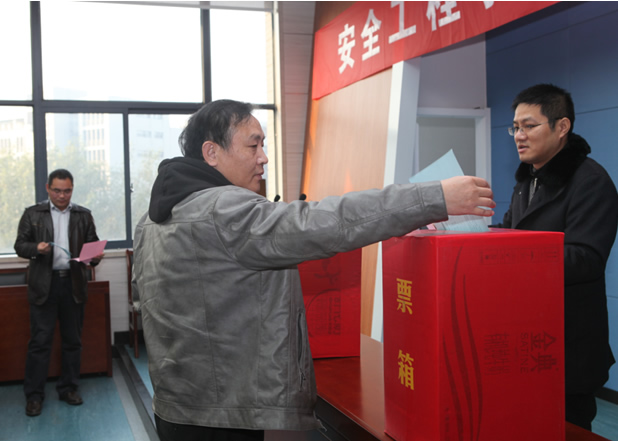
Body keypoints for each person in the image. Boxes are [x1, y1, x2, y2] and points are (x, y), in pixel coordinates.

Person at [132, 99, 495, 441]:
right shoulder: (225, 209)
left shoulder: (150, 220)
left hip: (176, 406)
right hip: (227, 418)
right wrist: (434, 198)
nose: (263, 158)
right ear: (212, 152)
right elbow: (329, 221)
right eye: (253, 146)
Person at [494, 84, 618, 430]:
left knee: (565, 427)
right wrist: (465, 233)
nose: (519, 136)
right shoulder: (528, 180)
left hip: (567, 343)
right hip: (525, 334)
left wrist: (514, 258)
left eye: (529, 126)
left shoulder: (590, 181)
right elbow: (510, 231)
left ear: (562, 127)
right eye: (515, 127)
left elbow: (585, 258)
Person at [14, 169, 103, 417]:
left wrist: (95, 257)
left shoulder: (83, 215)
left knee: (72, 341)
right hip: (44, 285)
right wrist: (36, 248)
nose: (62, 195)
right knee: (40, 342)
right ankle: (34, 395)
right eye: (57, 190)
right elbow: (20, 246)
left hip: (72, 284)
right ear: (48, 188)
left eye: (67, 191)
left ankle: (69, 388)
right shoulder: (33, 214)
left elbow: (92, 248)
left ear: (72, 189)